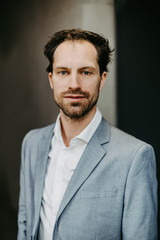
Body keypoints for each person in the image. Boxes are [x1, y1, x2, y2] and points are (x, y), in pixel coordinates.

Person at [17, 29, 158, 240]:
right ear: (51, 79)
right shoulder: (32, 143)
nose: (74, 84)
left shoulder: (135, 156)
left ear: (102, 79)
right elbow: (25, 220)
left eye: (86, 72)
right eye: (63, 72)